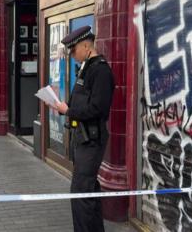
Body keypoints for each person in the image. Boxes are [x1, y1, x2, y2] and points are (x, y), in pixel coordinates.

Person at [47, 25, 115, 232]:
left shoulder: (101, 70)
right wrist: (62, 108)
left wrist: (68, 111)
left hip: (92, 139)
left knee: (79, 193)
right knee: (89, 190)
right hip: (82, 137)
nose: (72, 54)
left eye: (74, 50)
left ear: (86, 45)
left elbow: (97, 108)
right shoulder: (87, 67)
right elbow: (78, 103)